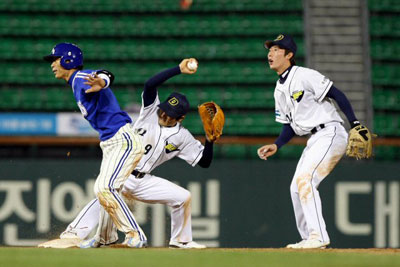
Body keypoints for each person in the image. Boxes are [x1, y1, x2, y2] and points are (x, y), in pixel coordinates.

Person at [40, 58, 214, 249]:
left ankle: (181, 240)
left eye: (169, 114)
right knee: (105, 192)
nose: (163, 115)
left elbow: (204, 162)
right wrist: (178, 69)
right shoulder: (150, 112)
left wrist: (210, 141)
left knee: (183, 197)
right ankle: (75, 233)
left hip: (143, 180)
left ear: (180, 118)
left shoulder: (183, 137)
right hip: (125, 166)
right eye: (164, 109)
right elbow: (150, 84)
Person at [257, 34, 370, 249]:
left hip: (330, 132)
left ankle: (318, 237)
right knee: (295, 188)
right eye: (269, 50)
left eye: (276, 50)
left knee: (305, 180)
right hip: (314, 138)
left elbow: (337, 94)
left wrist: (355, 123)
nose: (270, 53)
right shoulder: (279, 89)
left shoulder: (304, 75)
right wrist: (277, 144)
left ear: (289, 55)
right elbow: (290, 124)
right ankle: (310, 238)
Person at [43, 43, 146, 248]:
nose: (53, 63)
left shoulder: (81, 78)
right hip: (110, 142)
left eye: (56, 59)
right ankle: (105, 237)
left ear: (68, 60)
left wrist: (102, 80)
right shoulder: (75, 83)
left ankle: (136, 235)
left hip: (122, 139)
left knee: (104, 187)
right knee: (107, 189)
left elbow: (105, 74)